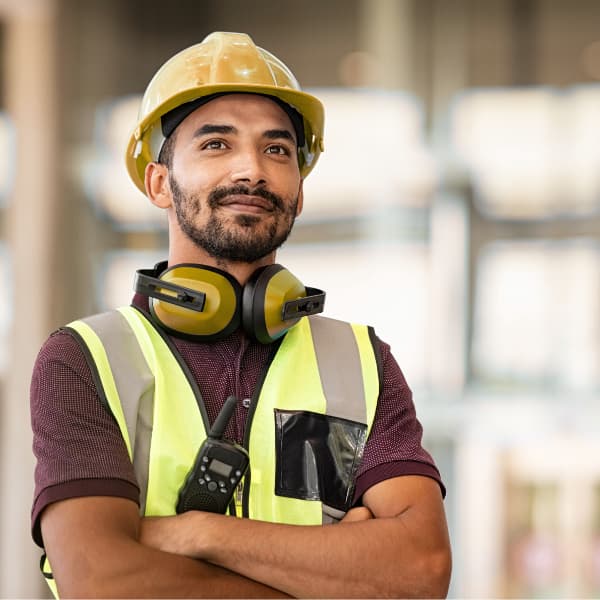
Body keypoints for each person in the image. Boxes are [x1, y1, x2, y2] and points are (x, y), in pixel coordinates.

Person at [30, 31, 451, 598]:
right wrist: (336, 576)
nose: (251, 169)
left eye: (276, 150)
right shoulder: (85, 359)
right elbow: (104, 580)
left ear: (299, 191)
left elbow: (421, 570)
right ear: (160, 183)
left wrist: (199, 533)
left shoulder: (363, 364)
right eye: (216, 145)